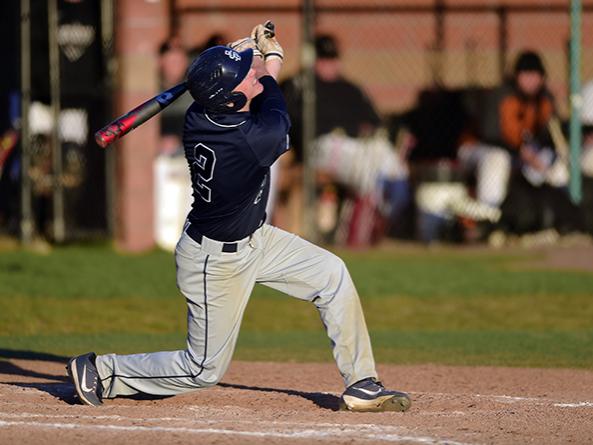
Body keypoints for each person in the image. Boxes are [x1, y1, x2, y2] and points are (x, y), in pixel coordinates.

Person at [66, 23, 411, 413]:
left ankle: (361, 381)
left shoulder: (200, 114)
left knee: (331, 274)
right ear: (229, 99)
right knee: (202, 369)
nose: (254, 75)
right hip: (216, 262)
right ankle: (101, 371)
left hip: (256, 240)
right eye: (245, 76)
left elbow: (252, 91)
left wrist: (234, 59)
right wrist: (272, 58)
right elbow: (272, 100)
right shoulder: (250, 139)